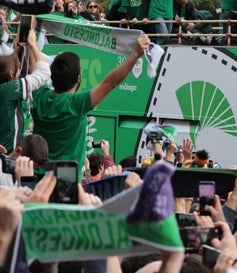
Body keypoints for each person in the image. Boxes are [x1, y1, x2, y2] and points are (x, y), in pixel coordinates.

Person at [32, 34, 150, 174]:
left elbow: (37, 70)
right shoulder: (76, 104)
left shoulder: (40, 96)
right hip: (66, 176)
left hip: (37, 175)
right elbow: (109, 83)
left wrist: (32, 44)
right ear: (78, 79)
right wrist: (136, 53)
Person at [0, 28, 50, 153]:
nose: (20, 70)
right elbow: (44, 72)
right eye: (18, 68)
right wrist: (33, 45)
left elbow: (6, 64)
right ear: (12, 74)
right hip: (8, 156)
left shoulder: (5, 88)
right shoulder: (9, 89)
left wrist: (17, 48)